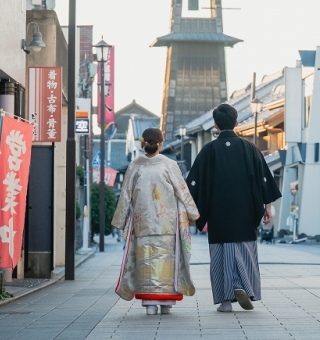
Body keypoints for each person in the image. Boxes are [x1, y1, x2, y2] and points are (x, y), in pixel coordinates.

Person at [187, 103, 282, 312]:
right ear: (237, 122)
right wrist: (267, 206)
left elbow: (194, 183)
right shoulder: (250, 148)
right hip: (246, 212)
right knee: (245, 250)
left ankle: (225, 301)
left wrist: (191, 212)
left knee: (221, 254)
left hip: (218, 214)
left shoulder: (209, 150)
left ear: (215, 124)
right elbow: (264, 179)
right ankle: (243, 286)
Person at [112, 127, 199, 315]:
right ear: (162, 142)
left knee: (146, 261)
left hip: (142, 224)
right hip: (166, 222)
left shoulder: (135, 165)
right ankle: (166, 303)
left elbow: (125, 195)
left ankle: (149, 303)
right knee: (165, 260)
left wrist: (119, 221)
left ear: (142, 143)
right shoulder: (169, 164)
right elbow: (182, 190)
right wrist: (193, 213)